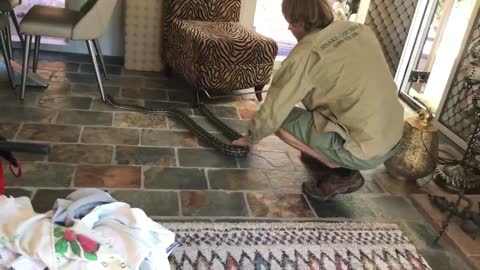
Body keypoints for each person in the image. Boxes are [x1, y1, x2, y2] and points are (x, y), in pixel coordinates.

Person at [232, 0, 404, 201]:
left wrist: (248, 139)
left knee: (280, 121)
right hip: (393, 135)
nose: (288, 27)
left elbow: (271, 113)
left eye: (291, 22)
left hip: (364, 151)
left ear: (299, 21)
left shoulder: (304, 55)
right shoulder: (357, 29)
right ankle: (323, 152)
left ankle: (340, 171)